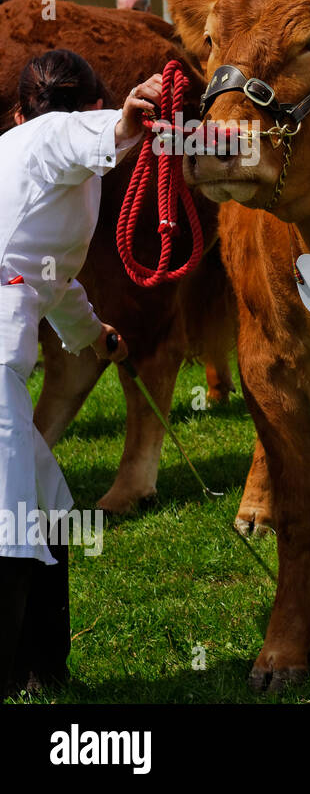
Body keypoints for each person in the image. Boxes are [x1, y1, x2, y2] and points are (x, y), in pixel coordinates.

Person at [0, 50, 158, 697]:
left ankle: (44, 671)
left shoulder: (17, 154)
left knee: (50, 507)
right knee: (12, 520)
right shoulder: (48, 136)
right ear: (93, 105)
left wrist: (93, 337)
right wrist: (127, 118)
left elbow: (50, 277)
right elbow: (74, 132)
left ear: (15, 107)